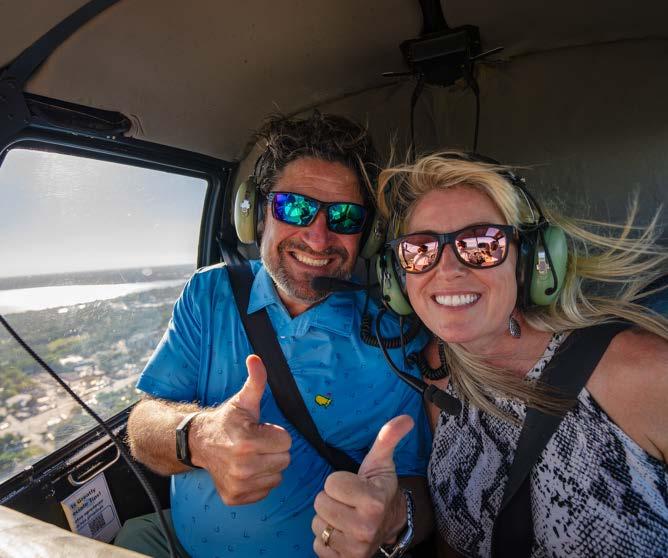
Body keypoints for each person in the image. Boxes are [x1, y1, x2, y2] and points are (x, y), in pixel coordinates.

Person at [115, 113, 433, 558]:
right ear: (257, 215)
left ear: (368, 237)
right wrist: (200, 438)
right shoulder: (209, 293)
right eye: (294, 208)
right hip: (176, 545)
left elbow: (421, 487)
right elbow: (143, 423)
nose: (318, 237)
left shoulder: (395, 339)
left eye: (344, 217)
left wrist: (393, 517)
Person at [376, 152, 668, 557]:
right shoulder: (439, 371)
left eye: (481, 244)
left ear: (530, 260)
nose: (447, 270)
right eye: (420, 250)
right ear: (398, 276)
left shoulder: (643, 371)